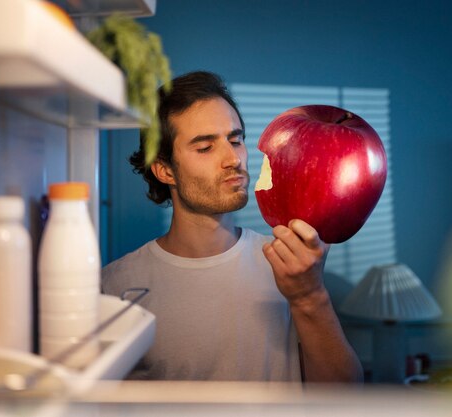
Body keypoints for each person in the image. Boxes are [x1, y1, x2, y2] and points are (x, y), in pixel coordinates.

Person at [102, 71, 363, 383]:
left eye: (235, 140)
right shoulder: (116, 288)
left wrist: (310, 296)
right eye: (205, 147)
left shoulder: (289, 265)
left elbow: (342, 395)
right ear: (165, 170)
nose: (232, 159)